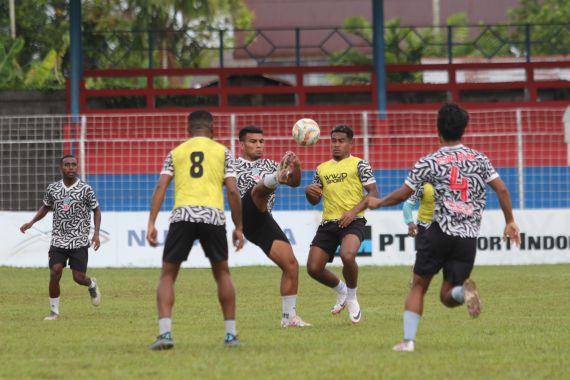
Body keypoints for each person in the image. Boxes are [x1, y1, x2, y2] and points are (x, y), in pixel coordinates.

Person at [367, 103, 521, 352]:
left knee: (419, 285)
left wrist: (379, 202)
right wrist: (510, 221)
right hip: (468, 239)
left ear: (438, 130)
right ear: (464, 130)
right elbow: (502, 189)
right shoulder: (479, 159)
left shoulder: (430, 161)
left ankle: (408, 341)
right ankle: (464, 292)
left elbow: (403, 194)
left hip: (439, 232)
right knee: (448, 296)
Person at [146, 110, 244, 350]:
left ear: (188, 130)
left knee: (168, 274)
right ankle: (230, 336)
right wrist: (238, 226)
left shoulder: (176, 152)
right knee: (222, 273)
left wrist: (151, 222)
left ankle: (165, 334)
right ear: (213, 130)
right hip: (212, 215)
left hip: (183, 214)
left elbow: (161, 185)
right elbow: (232, 191)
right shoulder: (223, 152)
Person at [235, 125, 310, 328]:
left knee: (291, 264)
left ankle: (289, 318)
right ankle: (274, 180)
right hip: (245, 213)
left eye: (261, 141)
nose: (258, 145)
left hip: (262, 221)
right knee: (257, 191)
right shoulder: (232, 166)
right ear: (241, 145)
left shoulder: (270, 164)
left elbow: (294, 183)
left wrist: (296, 168)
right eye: (253, 141)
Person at [304, 125, 378, 324]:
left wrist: (353, 211)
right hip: (328, 222)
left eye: (341, 141)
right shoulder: (321, 169)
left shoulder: (360, 165)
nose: (336, 145)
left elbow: (373, 193)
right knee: (313, 268)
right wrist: (308, 192)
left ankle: (352, 297)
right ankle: (342, 290)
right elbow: (314, 200)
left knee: (347, 255)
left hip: (354, 221)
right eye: (333, 141)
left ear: (350, 143)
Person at [20, 155, 102, 320]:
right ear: (61, 168)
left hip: (79, 239)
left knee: (78, 278)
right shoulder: (53, 188)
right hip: (58, 239)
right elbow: (46, 207)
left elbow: (96, 210)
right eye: (67, 165)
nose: (71, 167)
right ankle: (54, 312)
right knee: (55, 271)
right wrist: (31, 222)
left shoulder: (85, 189)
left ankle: (91, 284)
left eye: (73, 165)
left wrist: (96, 233)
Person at [402, 182, 435, 288]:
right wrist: (410, 222)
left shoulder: (449, 183)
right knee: (425, 253)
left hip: (445, 225)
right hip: (425, 225)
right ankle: (415, 277)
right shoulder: (423, 186)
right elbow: (408, 204)